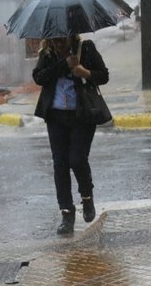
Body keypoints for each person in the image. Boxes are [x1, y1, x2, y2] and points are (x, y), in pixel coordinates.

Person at [32, 34, 109, 235]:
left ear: (69, 36)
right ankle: (67, 214)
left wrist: (85, 73)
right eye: (54, 40)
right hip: (55, 116)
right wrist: (63, 65)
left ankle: (87, 197)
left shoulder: (86, 48)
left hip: (82, 114)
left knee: (77, 158)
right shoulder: (47, 54)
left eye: (61, 40)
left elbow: (104, 75)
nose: (58, 44)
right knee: (60, 164)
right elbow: (39, 77)